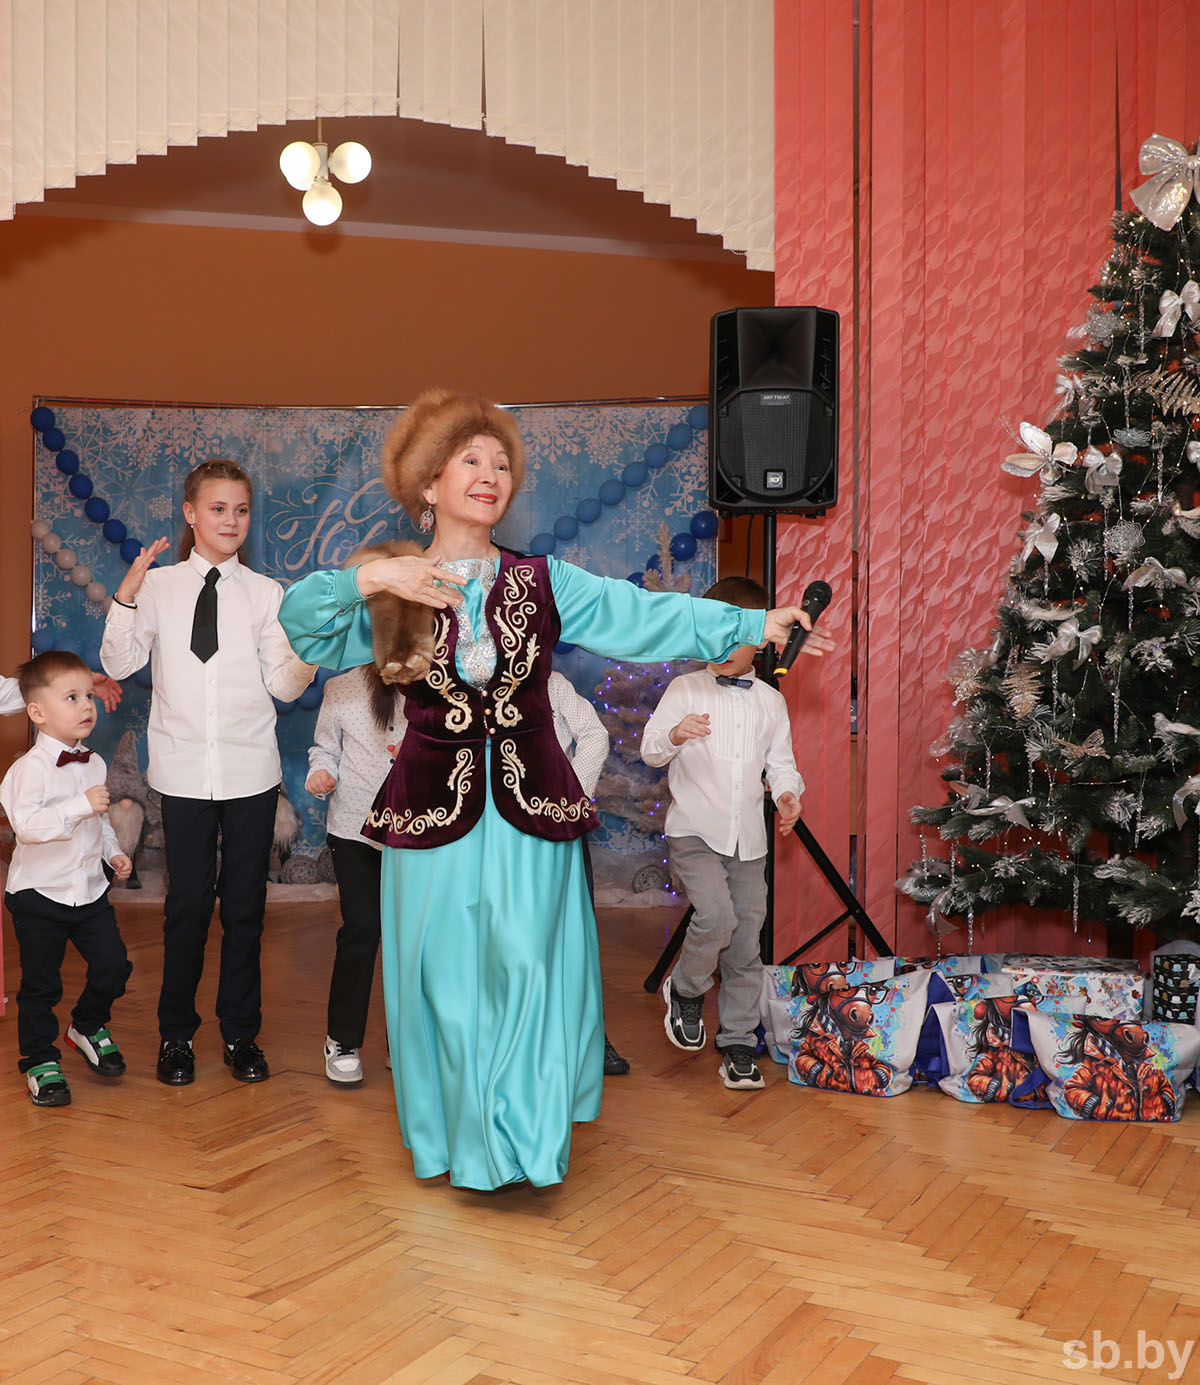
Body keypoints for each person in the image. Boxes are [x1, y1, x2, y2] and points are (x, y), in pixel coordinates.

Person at [277, 388, 830, 1190]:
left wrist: (748, 626)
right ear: (428, 481)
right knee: (447, 983)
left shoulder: (544, 582)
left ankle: (527, 1146)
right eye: (470, 459)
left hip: (531, 809)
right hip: (429, 814)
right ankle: (466, 1141)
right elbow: (304, 625)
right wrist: (373, 576)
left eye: (501, 462)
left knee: (528, 971)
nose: (490, 473)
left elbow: (640, 615)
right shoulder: (394, 586)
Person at [99, 459, 315, 1086]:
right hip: (183, 773)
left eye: (241, 510)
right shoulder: (158, 587)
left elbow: (283, 684)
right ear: (191, 513)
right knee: (187, 908)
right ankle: (176, 1037)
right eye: (218, 509)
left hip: (251, 772)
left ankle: (241, 1036)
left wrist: (310, 652)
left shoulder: (267, 593)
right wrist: (126, 595)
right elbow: (119, 660)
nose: (230, 520)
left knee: (246, 909)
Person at [641, 576, 803, 1092]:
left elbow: (782, 764)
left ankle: (738, 1041)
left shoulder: (770, 702)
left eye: (736, 637)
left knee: (746, 941)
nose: (724, 648)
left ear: (761, 639)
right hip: (694, 830)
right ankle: (686, 988)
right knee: (716, 916)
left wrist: (787, 794)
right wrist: (675, 734)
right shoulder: (684, 689)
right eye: (714, 636)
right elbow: (650, 750)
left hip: (749, 841)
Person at [0, 652, 133, 1107]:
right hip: (39, 894)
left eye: (89, 696)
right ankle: (40, 1059)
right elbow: (27, 827)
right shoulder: (28, 770)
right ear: (37, 713)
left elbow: (101, 821)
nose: (87, 706)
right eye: (72, 697)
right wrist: (79, 806)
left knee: (114, 965)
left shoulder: (94, 763)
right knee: (41, 985)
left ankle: (87, 1024)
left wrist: (114, 853)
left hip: (89, 891)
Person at [305, 663, 406, 1085]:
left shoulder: (434, 681)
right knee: (362, 929)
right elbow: (324, 749)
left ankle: (406, 1041)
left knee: (413, 938)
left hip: (418, 830)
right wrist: (321, 774)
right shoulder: (340, 688)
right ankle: (342, 1040)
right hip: (353, 828)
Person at [547, 669, 628, 1077]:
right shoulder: (472, 677)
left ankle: (592, 1036)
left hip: (556, 827)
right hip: (493, 832)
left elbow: (594, 735)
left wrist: (569, 796)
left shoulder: (552, 683)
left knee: (572, 932)